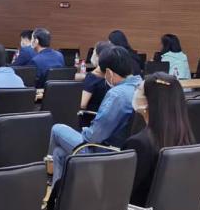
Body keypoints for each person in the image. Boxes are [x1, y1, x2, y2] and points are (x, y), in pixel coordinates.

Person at [47, 45, 142, 184]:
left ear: (109, 72)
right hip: (126, 153)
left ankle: (48, 169)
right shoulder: (141, 87)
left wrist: (85, 130)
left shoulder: (117, 94)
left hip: (104, 152)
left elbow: (94, 137)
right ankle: (59, 192)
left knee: (57, 129)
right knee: (59, 153)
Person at [122, 73, 195, 210]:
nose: (136, 93)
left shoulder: (139, 144)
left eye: (139, 90)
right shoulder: (187, 139)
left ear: (148, 102)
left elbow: (120, 193)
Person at [80, 41, 112, 113]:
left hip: (92, 116)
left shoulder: (92, 77)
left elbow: (82, 104)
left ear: (98, 56)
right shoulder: (114, 75)